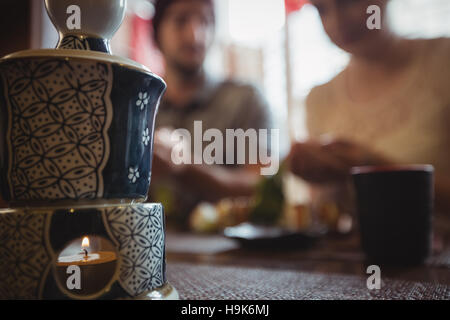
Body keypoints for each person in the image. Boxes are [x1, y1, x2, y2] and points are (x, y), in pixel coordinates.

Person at [287, 0, 450, 227]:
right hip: (350, 259)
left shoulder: (443, 62)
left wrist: (373, 167)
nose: (337, 22)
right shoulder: (319, 98)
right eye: (321, 9)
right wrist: (317, 173)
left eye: (348, 3)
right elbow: (325, 216)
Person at [149, 0, 274, 226]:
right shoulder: (141, 107)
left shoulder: (245, 100)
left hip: (234, 254)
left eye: (206, 22)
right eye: (181, 20)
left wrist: (185, 165)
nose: (196, 35)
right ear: (157, 30)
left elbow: (262, 185)